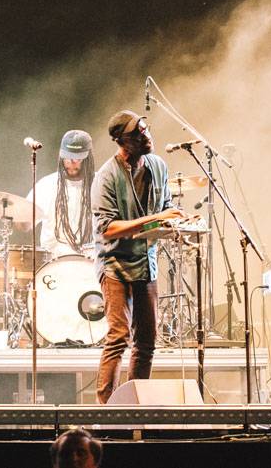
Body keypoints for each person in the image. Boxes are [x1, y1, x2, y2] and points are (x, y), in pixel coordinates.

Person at [90, 110, 183, 404]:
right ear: (123, 141)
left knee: (146, 342)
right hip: (115, 264)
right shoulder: (106, 176)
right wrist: (156, 218)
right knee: (118, 337)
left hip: (146, 261)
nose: (147, 135)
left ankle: (135, 404)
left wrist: (176, 225)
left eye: (146, 128)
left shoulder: (158, 166)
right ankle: (105, 411)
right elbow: (108, 229)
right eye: (138, 133)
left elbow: (164, 210)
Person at [25, 129, 97, 259]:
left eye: (77, 158)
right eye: (67, 157)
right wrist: (17, 216)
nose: (71, 161)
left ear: (88, 158)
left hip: (90, 263)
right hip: (53, 263)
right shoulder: (46, 184)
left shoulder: (100, 184)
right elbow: (24, 224)